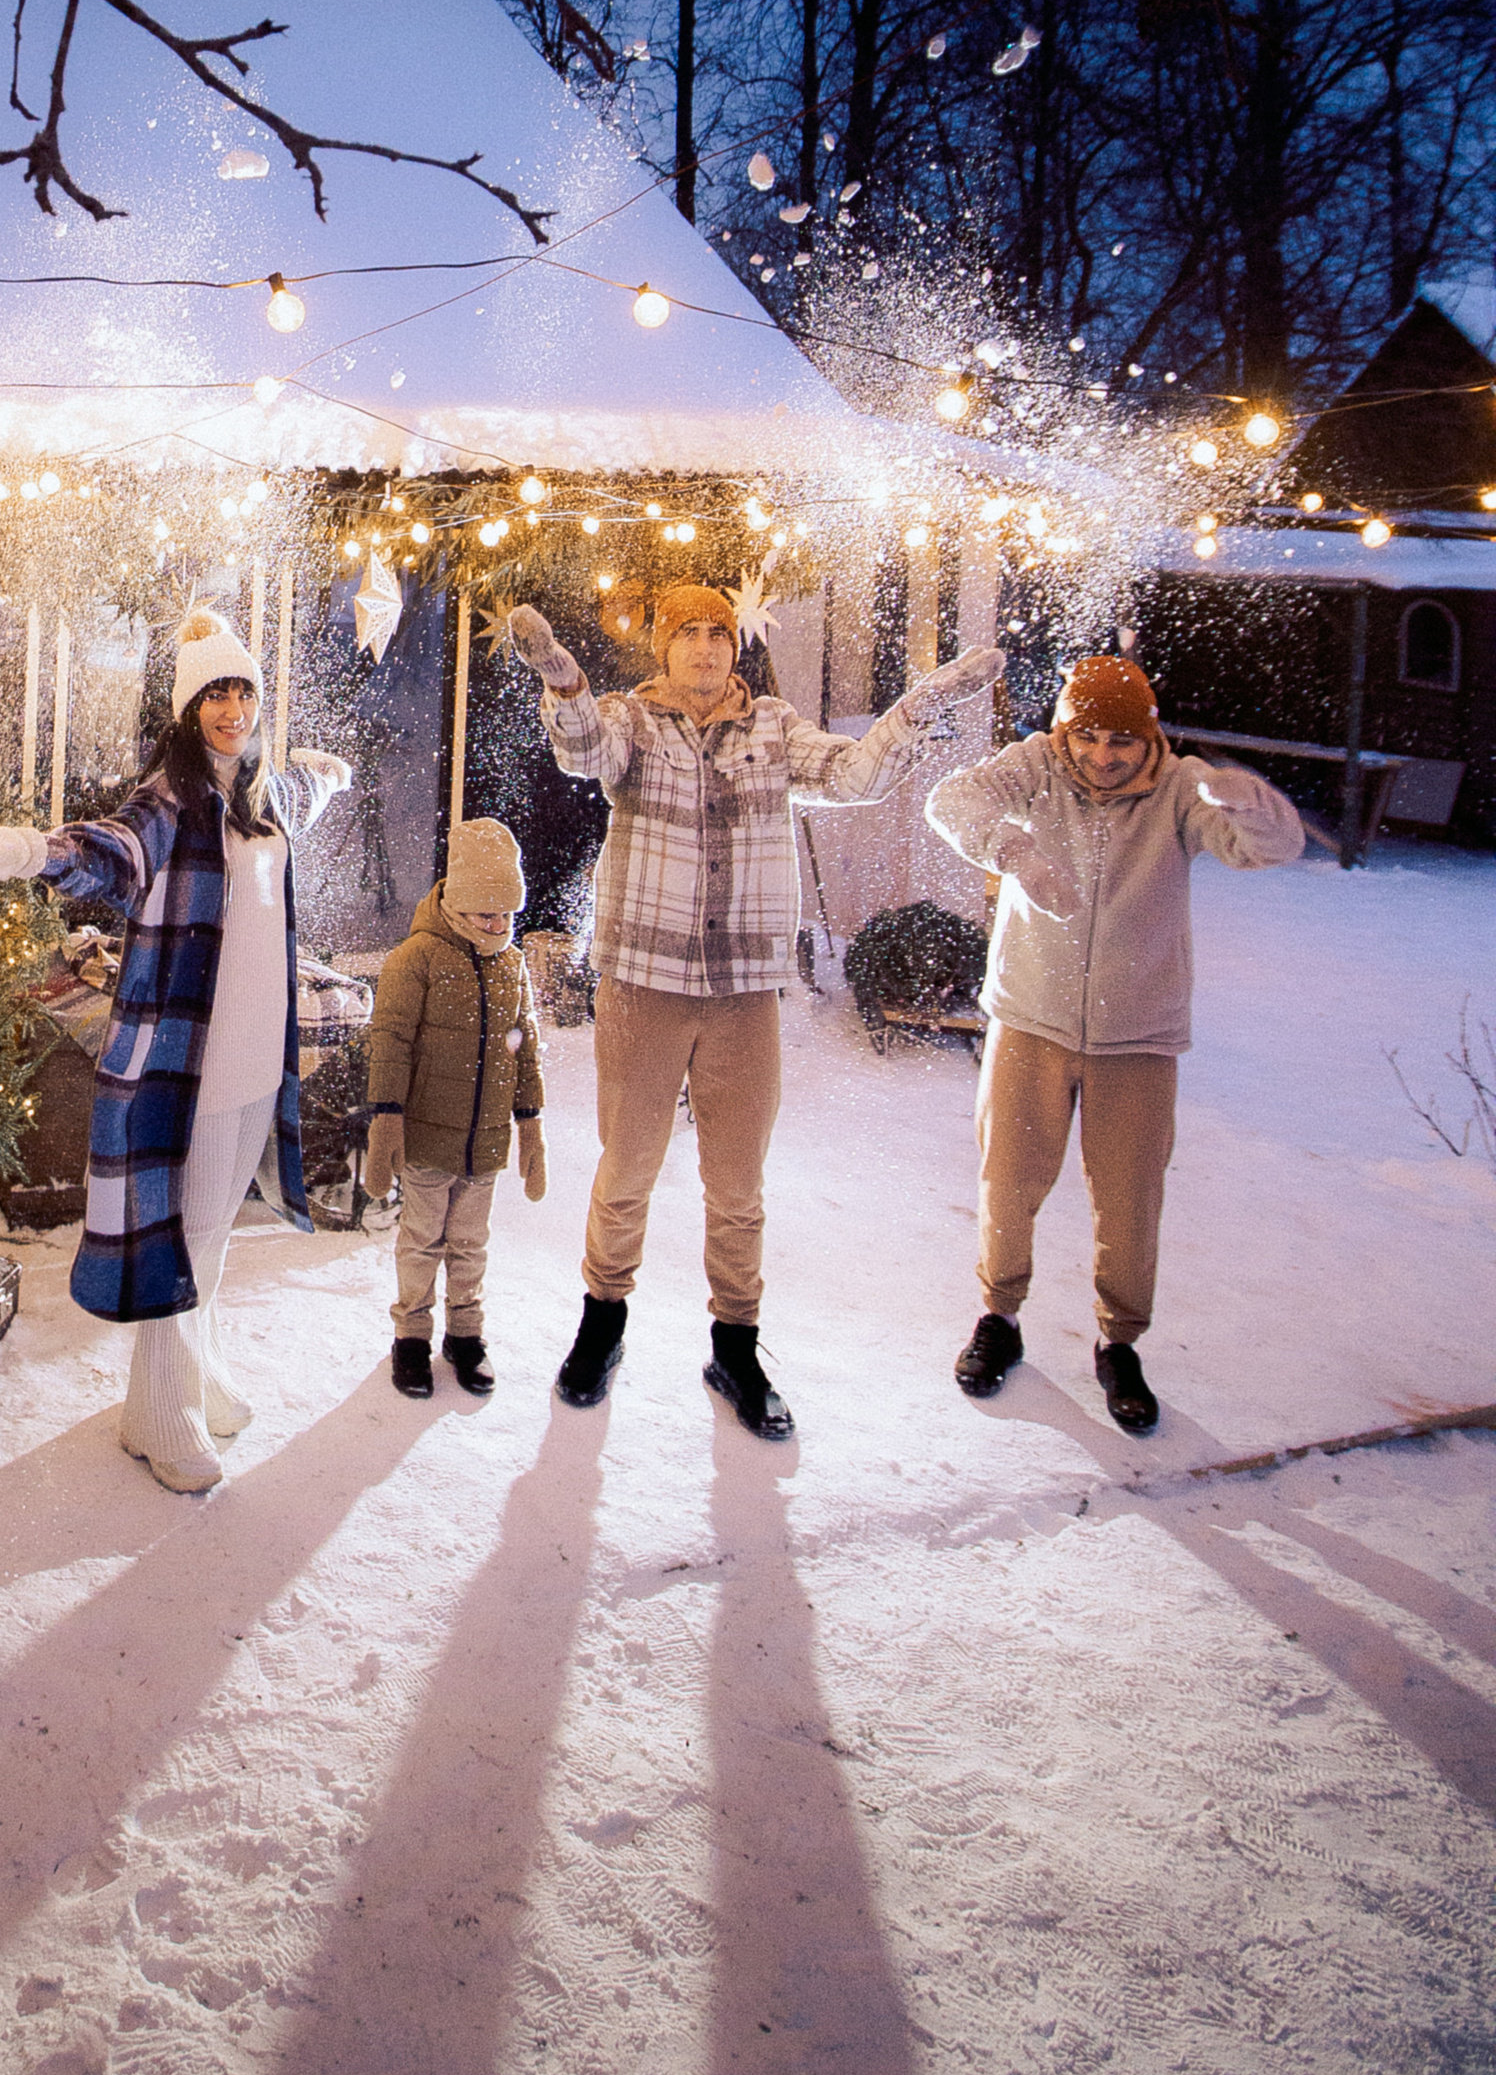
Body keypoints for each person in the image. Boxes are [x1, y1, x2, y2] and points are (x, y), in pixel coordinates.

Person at [509, 579, 1000, 1436]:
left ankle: (735, 1345)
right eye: (687, 633)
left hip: (742, 993)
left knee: (737, 1185)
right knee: (627, 1170)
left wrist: (922, 705)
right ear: (661, 648)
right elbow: (582, 750)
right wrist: (560, 676)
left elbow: (853, 777)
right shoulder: (631, 720)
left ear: (734, 646)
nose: (705, 647)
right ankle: (602, 1323)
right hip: (646, 984)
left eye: (717, 633)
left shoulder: (772, 727)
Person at [0, 605, 349, 1493]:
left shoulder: (263, 797)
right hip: (190, 1062)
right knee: (181, 1232)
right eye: (214, 695)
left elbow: (301, 792)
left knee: (217, 1227)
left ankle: (195, 1369)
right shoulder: (168, 804)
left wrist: (324, 778)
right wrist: (30, 851)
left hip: (260, 1055)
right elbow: (108, 853)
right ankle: (158, 1411)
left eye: (245, 691)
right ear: (188, 712)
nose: (232, 709)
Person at [925, 649, 1302, 1436]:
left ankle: (1119, 1342)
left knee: (1131, 1198)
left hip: (1140, 1034)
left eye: (1122, 742)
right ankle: (999, 1316)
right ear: (1067, 730)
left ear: (1149, 740)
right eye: (1090, 737)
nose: (1104, 756)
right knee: (1010, 1178)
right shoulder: (1038, 764)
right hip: (1031, 1017)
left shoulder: (1181, 788)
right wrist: (1016, 852)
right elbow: (952, 801)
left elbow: (1270, 849)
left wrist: (1251, 802)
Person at [362, 815, 547, 1398]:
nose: (498, 926)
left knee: (470, 1243)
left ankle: (466, 1335)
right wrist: (385, 1123)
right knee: (421, 1240)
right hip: (426, 1139)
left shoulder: (511, 964)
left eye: (507, 915)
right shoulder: (414, 958)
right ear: (458, 906)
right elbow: (389, 1041)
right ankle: (411, 1336)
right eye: (485, 915)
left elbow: (525, 1047)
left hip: (485, 1141)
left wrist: (532, 1128)